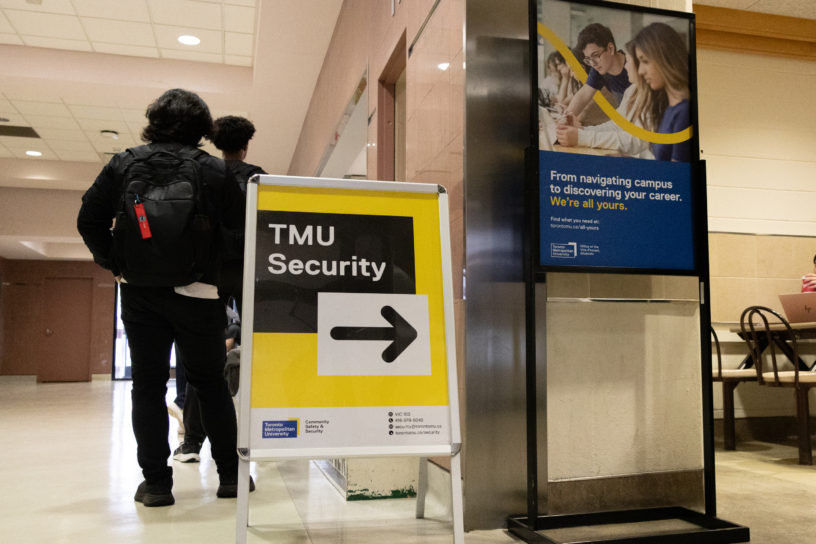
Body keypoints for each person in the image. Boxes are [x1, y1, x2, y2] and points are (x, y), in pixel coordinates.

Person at [77, 88, 253, 507]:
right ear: (202, 128)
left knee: (148, 386)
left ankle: (156, 483)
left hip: (140, 294)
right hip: (199, 293)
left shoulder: (124, 163)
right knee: (210, 384)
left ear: (153, 121)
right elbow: (243, 231)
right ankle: (230, 477)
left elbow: (88, 219)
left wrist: (114, 262)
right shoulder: (214, 170)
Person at [173, 116, 266, 463]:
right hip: (249, 272)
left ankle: (192, 443)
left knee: (203, 358)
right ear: (245, 146)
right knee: (260, 354)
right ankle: (259, 437)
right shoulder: (259, 179)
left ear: (216, 144)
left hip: (208, 273)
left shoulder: (203, 174)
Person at [555, 45, 654, 159]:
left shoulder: (653, 97)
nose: (625, 66)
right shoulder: (632, 90)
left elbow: (635, 141)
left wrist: (581, 137)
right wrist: (581, 131)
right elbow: (617, 125)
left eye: (628, 61)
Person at [630, 22, 691, 162]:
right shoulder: (667, 108)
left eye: (645, 61)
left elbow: (673, 178)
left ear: (665, 57)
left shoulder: (684, 113)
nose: (640, 71)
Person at [564, 23, 629, 120]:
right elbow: (584, 94)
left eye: (595, 55)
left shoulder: (632, 66)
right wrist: (565, 118)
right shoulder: (598, 68)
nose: (593, 63)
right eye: (588, 59)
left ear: (611, 48)